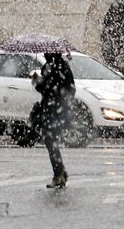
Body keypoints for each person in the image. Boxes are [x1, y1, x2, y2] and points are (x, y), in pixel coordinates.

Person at [32, 52, 76, 189]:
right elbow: (71, 88)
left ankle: (59, 174)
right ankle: (60, 172)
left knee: (50, 141)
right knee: (53, 141)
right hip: (60, 110)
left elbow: (45, 88)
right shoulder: (64, 66)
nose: (44, 54)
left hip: (51, 110)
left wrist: (36, 80)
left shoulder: (50, 67)